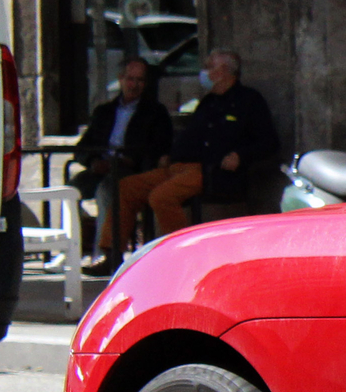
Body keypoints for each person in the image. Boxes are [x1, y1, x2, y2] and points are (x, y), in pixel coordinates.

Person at [110, 49, 280, 257]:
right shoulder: (208, 102)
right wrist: (170, 155)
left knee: (161, 197)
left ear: (224, 71)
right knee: (126, 188)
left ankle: (184, 254)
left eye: (209, 67)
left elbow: (269, 143)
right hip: (177, 167)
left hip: (207, 170)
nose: (204, 72)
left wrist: (240, 156)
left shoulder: (248, 101)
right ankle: (111, 252)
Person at [71, 59, 173, 270]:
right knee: (70, 189)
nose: (134, 85)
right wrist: (93, 161)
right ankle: (70, 251)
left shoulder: (155, 112)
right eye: (130, 79)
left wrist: (131, 160)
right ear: (120, 79)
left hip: (131, 169)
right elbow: (82, 147)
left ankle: (106, 255)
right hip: (102, 165)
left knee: (107, 189)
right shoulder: (104, 111)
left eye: (139, 80)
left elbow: (159, 146)